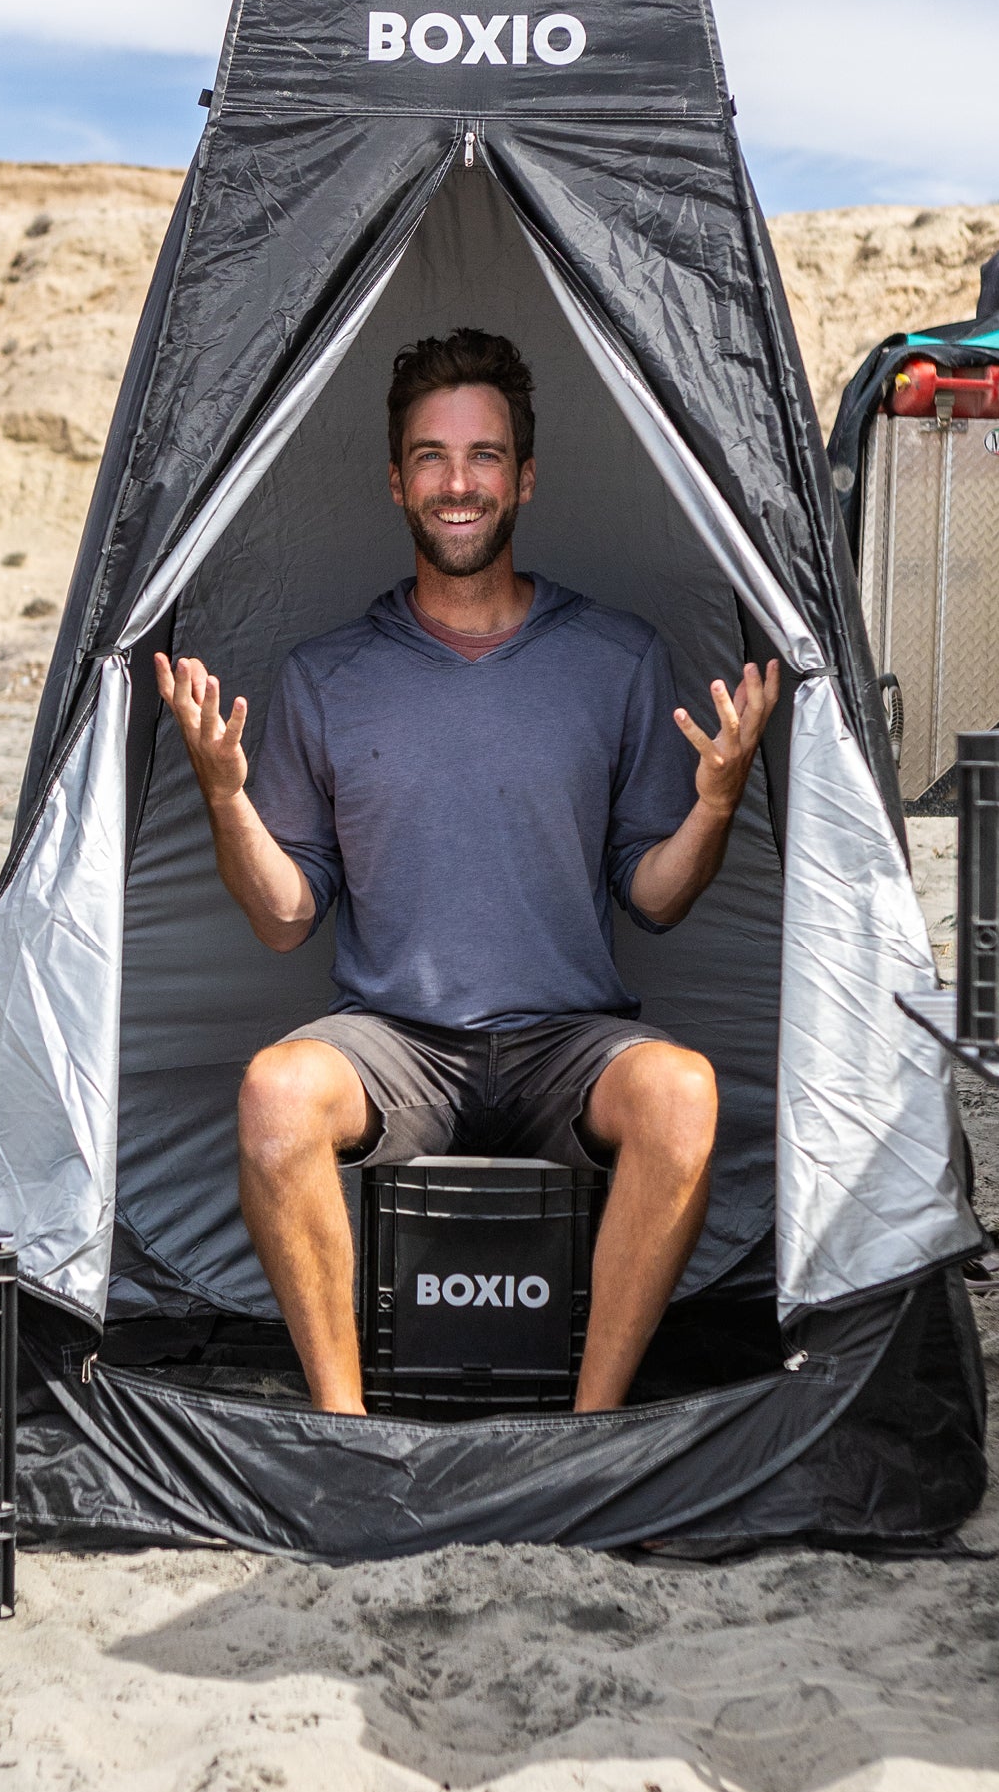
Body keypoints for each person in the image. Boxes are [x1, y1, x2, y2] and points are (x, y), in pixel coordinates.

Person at [154, 328, 777, 1414]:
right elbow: (285, 917)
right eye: (432, 457)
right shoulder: (323, 676)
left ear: (524, 477)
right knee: (273, 1092)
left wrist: (716, 799)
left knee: (680, 1095)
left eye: (484, 455)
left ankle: (590, 1429)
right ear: (396, 479)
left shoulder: (616, 658)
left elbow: (658, 894)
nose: (458, 482)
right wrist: (222, 794)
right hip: (397, 1045)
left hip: (564, 1040)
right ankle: (342, 1427)